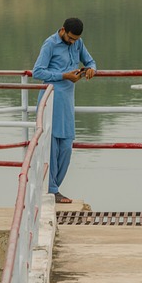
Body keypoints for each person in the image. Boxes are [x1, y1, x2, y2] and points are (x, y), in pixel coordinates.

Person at [32, 17, 97, 204]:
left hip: (67, 102)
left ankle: (54, 188)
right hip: (51, 98)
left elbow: (90, 60)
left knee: (66, 146)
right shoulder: (50, 44)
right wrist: (63, 75)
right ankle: (52, 190)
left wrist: (91, 69)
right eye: (70, 38)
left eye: (76, 39)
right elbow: (38, 72)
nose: (73, 42)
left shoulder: (78, 43)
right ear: (62, 30)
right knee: (51, 146)